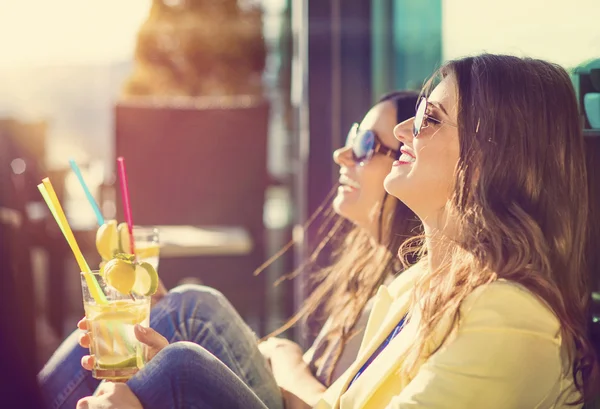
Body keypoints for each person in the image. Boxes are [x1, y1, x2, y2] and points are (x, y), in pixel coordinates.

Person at [75, 54, 600, 409]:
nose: (402, 133)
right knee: (176, 355)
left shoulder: (511, 319)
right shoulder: (416, 289)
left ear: (492, 158)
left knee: (179, 362)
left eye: (430, 120)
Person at [39, 91, 422, 409]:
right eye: (356, 135)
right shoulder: (378, 276)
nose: (342, 153)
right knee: (180, 313)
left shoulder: (411, 295)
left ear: (408, 160)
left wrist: (287, 355)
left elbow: (322, 402)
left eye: (365, 144)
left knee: (192, 317)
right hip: (288, 390)